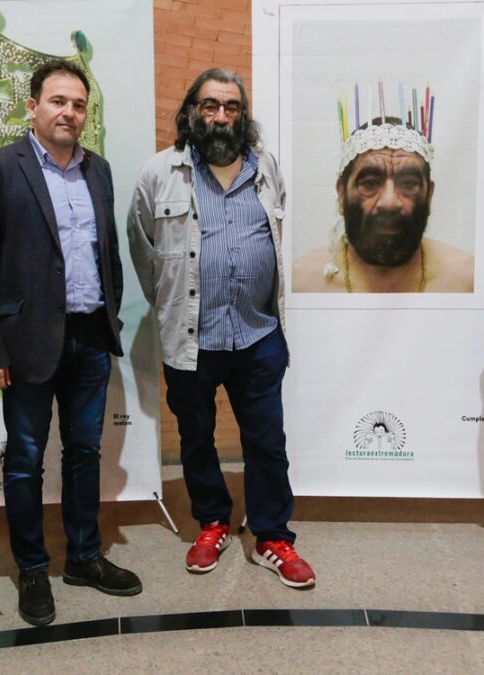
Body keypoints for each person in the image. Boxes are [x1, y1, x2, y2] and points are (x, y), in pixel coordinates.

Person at [0, 59, 141, 627]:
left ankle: (85, 557)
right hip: (26, 341)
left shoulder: (99, 170)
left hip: (88, 336)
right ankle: (33, 569)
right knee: (25, 461)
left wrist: (111, 313)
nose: (69, 112)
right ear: (33, 107)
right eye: (58, 101)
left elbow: (103, 254)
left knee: (86, 453)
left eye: (79, 104)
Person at [128, 68, 315, 588]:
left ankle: (273, 536)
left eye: (231, 107)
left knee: (267, 441)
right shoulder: (160, 172)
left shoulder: (266, 168)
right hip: (191, 341)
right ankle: (212, 522)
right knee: (196, 438)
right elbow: (143, 251)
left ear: (243, 115)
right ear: (192, 111)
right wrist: (173, 306)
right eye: (210, 106)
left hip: (258, 335)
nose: (221, 116)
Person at [292, 117, 473, 293]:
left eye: (409, 184)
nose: (389, 202)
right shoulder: (300, 284)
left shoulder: (467, 279)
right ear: (341, 194)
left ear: (429, 195)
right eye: (370, 183)